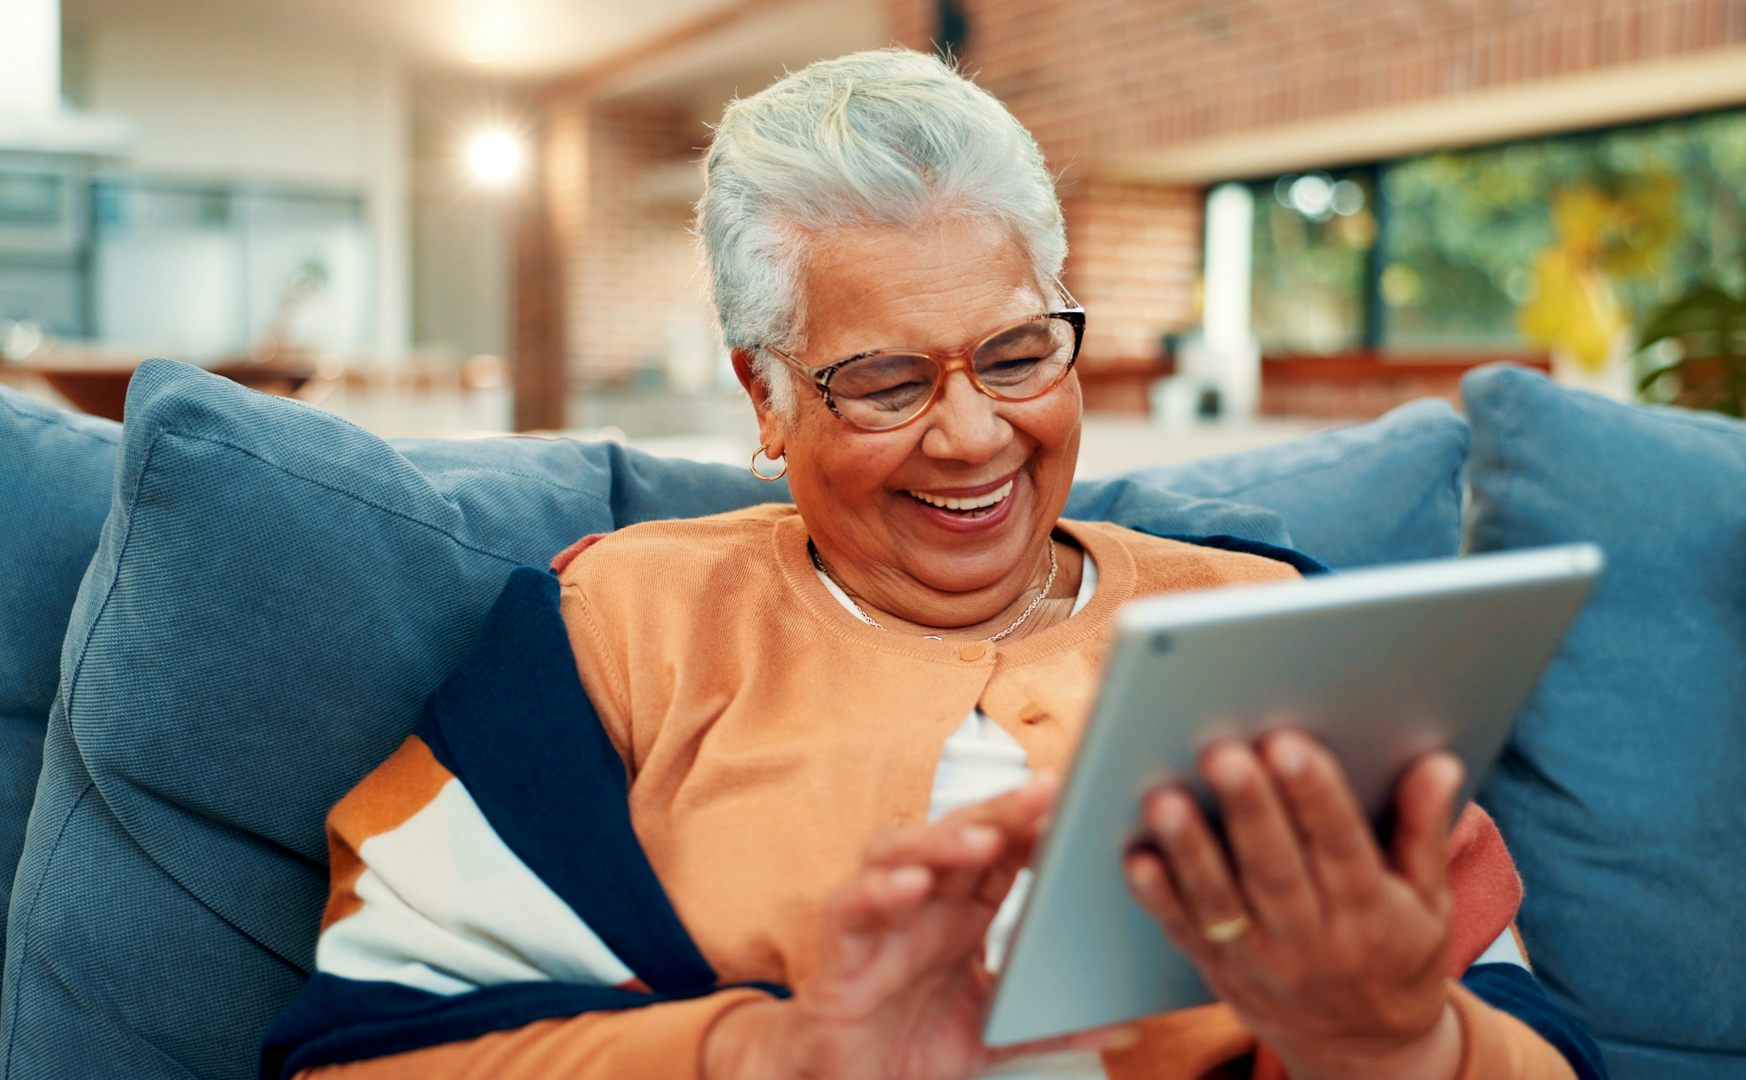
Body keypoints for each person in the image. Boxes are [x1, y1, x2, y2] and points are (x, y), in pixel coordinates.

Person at [263, 49, 1605, 1080]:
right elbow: (364, 1054)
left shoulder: (1272, 617)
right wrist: (782, 1055)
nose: (973, 436)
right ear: (765, 395)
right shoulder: (617, 622)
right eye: (885, 381)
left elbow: (1529, 1041)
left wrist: (1398, 1043)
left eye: (1017, 356)